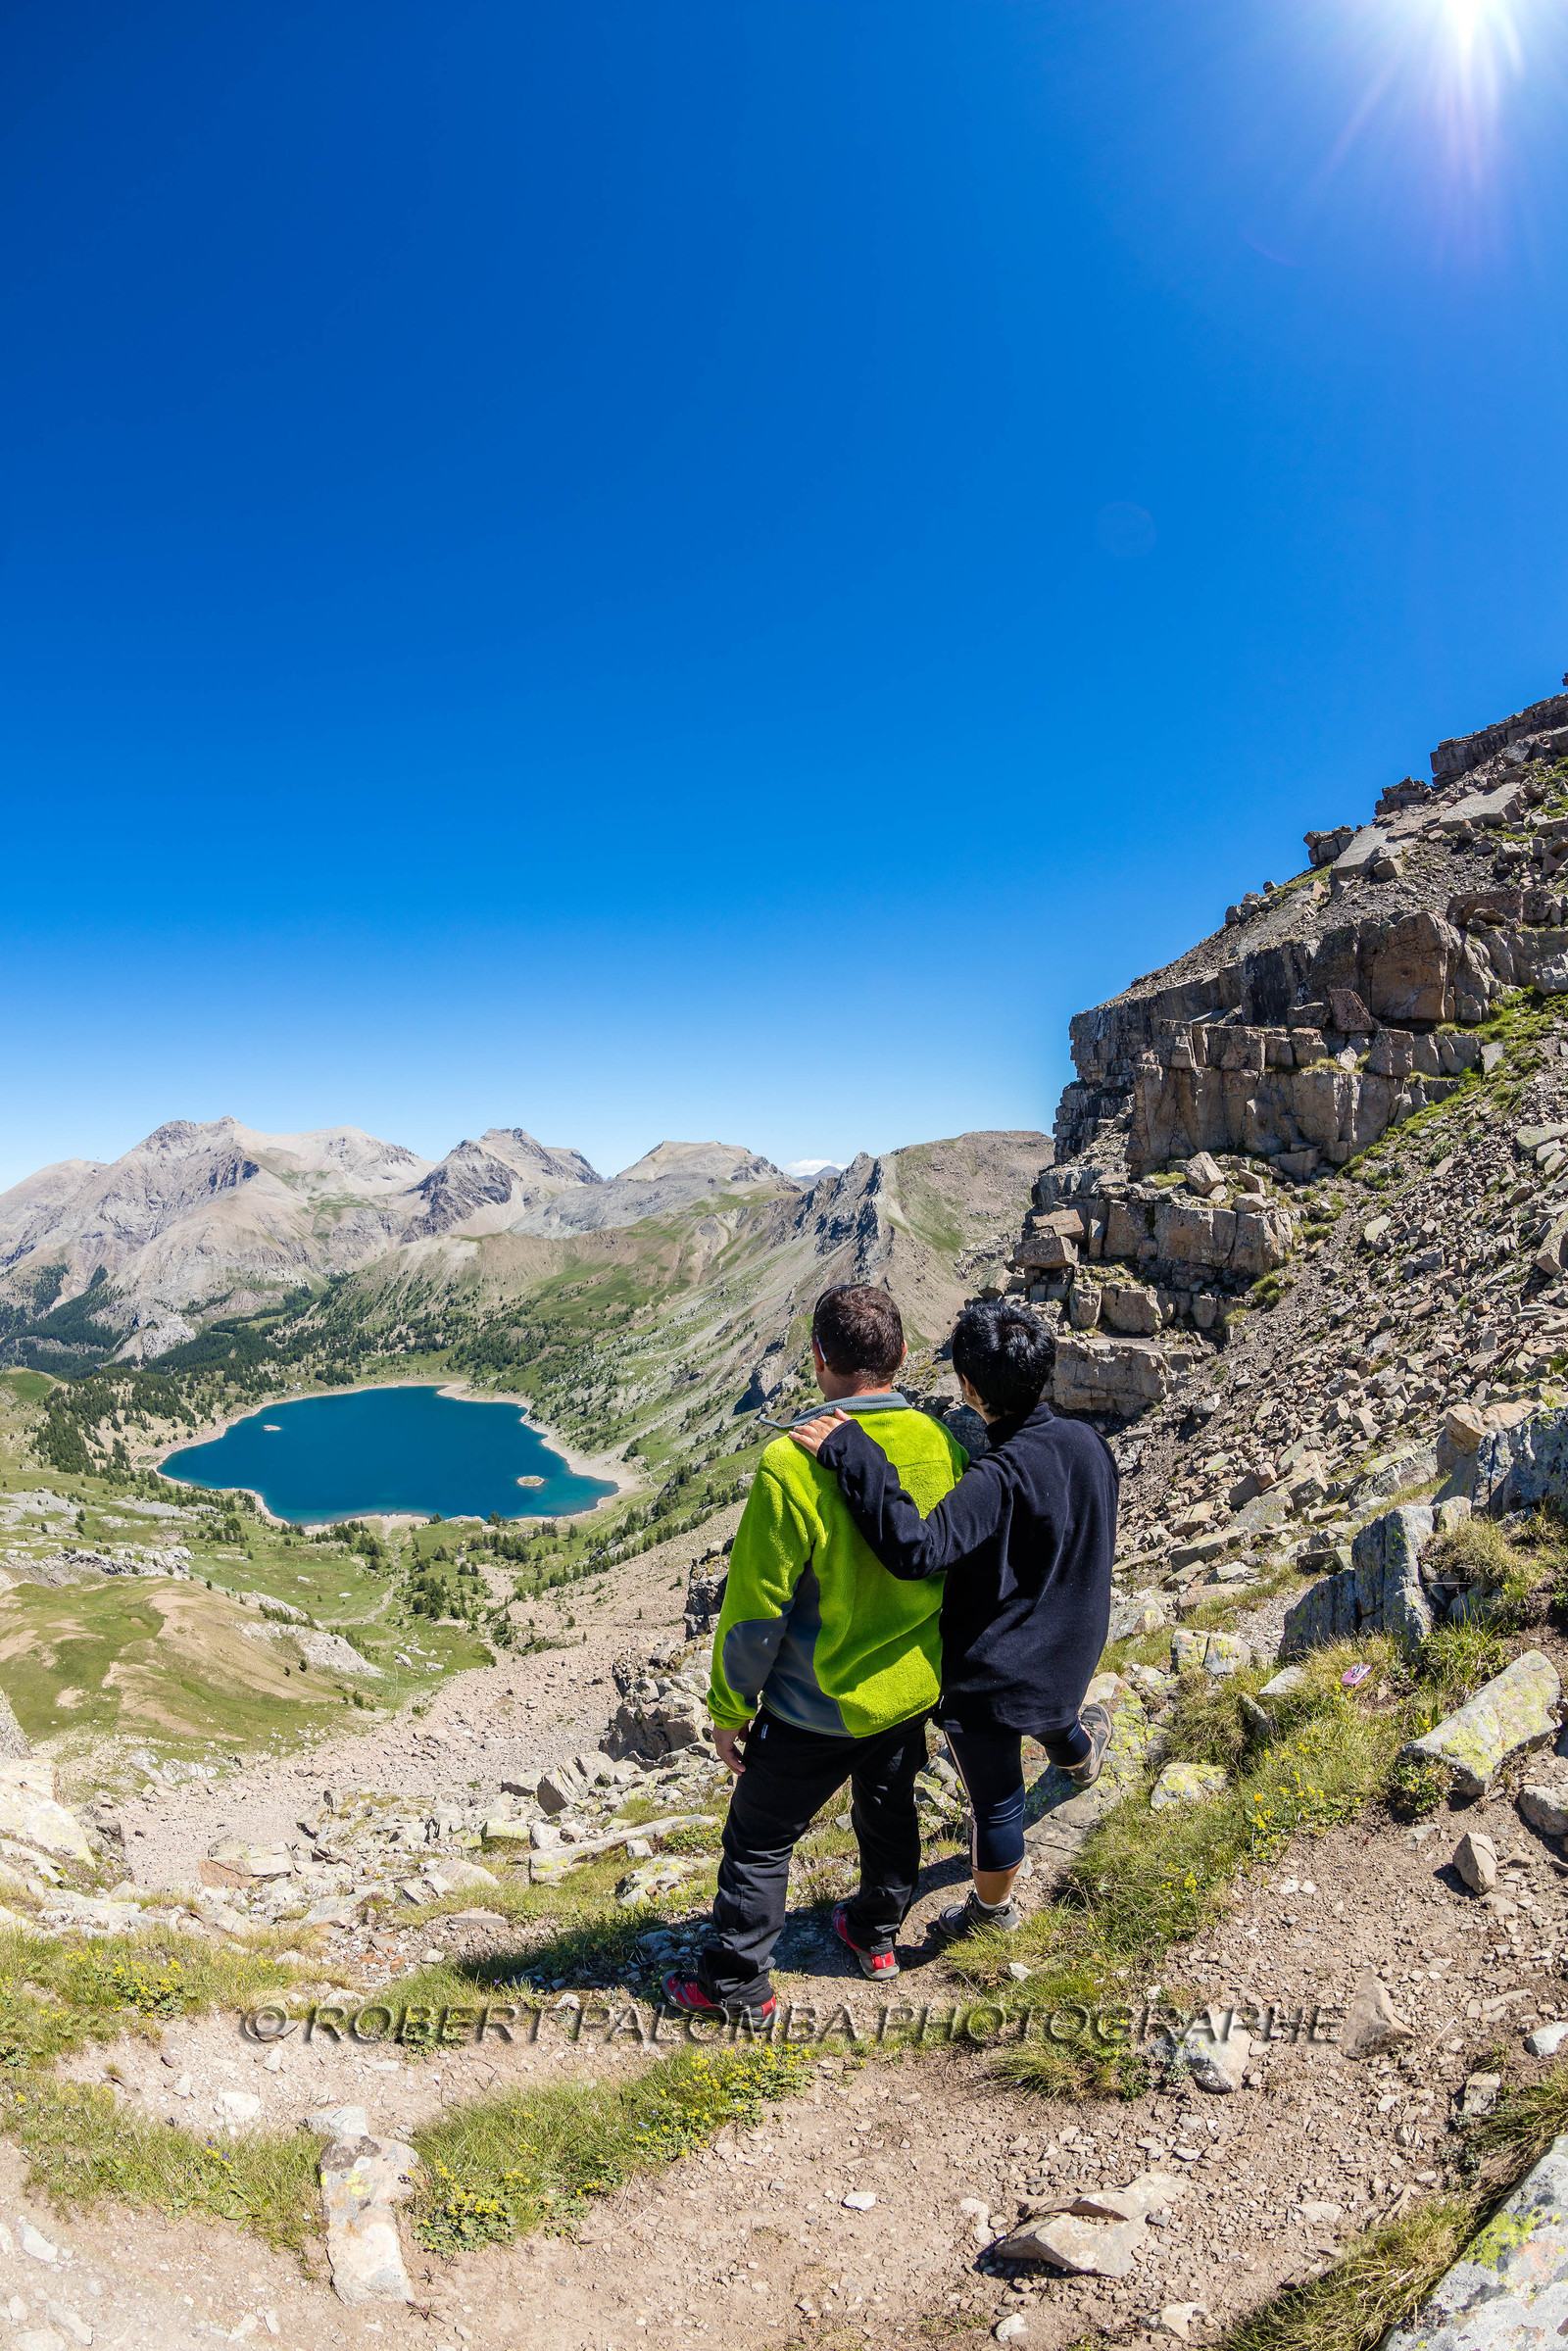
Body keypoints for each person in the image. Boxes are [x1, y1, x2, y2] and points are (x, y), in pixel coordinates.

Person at [662, 1284, 968, 2027]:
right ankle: (877, 1933)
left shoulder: (790, 1463)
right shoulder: (940, 1442)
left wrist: (729, 1708)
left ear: (817, 1358)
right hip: (906, 1691)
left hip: (813, 1705)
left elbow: (755, 1610)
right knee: (890, 1809)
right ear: (902, 1354)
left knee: (760, 1840)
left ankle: (737, 1985)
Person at [791, 1298, 1117, 1944]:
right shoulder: (1087, 1442)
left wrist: (855, 1454)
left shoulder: (996, 1476)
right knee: (1057, 1712)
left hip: (995, 1676)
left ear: (969, 1388)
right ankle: (1080, 1763)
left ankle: (991, 1913)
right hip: (1074, 1643)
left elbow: (916, 1550)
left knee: (997, 1804)